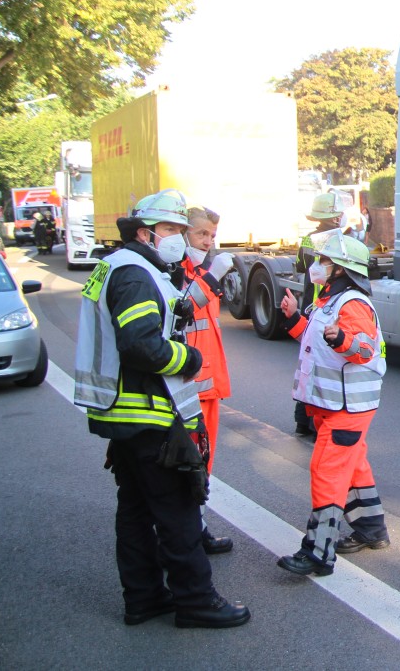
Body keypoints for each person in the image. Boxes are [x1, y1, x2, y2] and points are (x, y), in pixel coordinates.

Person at [74, 189, 250, 629]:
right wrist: (188, 360)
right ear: (145, 232)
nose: (178, 236)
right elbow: (140, 346)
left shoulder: (120, 267)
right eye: (171, 229)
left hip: (122, 413)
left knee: (135, 511)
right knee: (178, 512)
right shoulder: (134, 274)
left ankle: (145, 598)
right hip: (148, 413)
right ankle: (195, 600)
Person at [276, 230, 390, 576]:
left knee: (326, 472)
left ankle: (318, 552)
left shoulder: (352, 303)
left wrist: (343, 339)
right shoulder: (330, 300)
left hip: (347, 407)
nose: (318, 266)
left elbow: (364, 350)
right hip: (333, 405)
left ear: (341, 269)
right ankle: (371, 529)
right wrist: (295, 319)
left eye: (325, 261)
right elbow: (316, 344)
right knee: (352, 467)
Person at [181, 205, 237, 555]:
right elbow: (180, 310)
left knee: (204, 462)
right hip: (186, 387)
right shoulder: (175, 270)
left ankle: (196, 525)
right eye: (202, 234)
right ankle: (185, 533)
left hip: (207, 385)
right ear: (183, 232)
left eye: (212, 236)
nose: (208, 242)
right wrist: (211, 277)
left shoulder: (201, 269)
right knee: (186, 464)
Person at [293, 191, 349, 437]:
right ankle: (319, 424)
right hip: (329, 307)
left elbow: (299, 266)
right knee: (325, 368)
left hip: (309, 310)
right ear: (336, 217)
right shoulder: (338, 240)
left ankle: (301, 422)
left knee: (307, 365)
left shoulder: (306, 240)